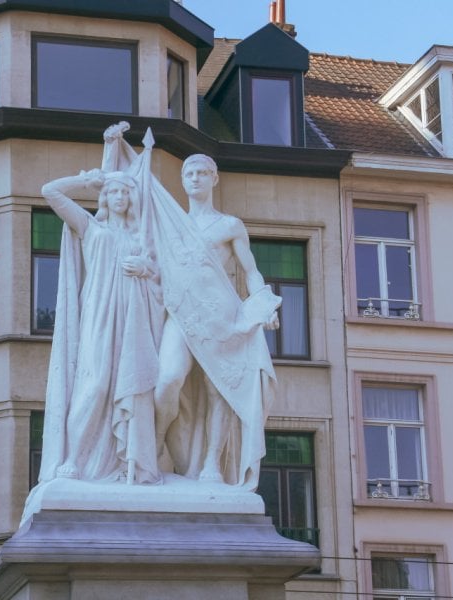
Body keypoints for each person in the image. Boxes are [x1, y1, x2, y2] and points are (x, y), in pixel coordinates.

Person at [152, 153, 281, 488]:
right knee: (168, 378)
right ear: (182, 180)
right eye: (189, 173)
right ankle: (154, 442)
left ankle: (211, 463)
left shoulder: (229, 225)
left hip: (222, 318)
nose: (195, 178)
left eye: (202, 173)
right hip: (181, 316)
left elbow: (251, 272)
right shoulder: (172, 225)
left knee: (220, 390)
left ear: (214, 179)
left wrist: (264, 307)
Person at [36, 166, 163, 485]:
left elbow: (167, 285)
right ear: (104, 196)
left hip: (133, 322)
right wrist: (85, 181)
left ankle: (125, 461)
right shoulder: (89, 226)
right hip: (98, 316)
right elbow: (50, 190)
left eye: (125, 192)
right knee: (92, 387)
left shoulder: (142, 238)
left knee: (129, 390)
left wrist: (146, 271)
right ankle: (74, 459)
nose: (119, 197)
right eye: (113, 191)